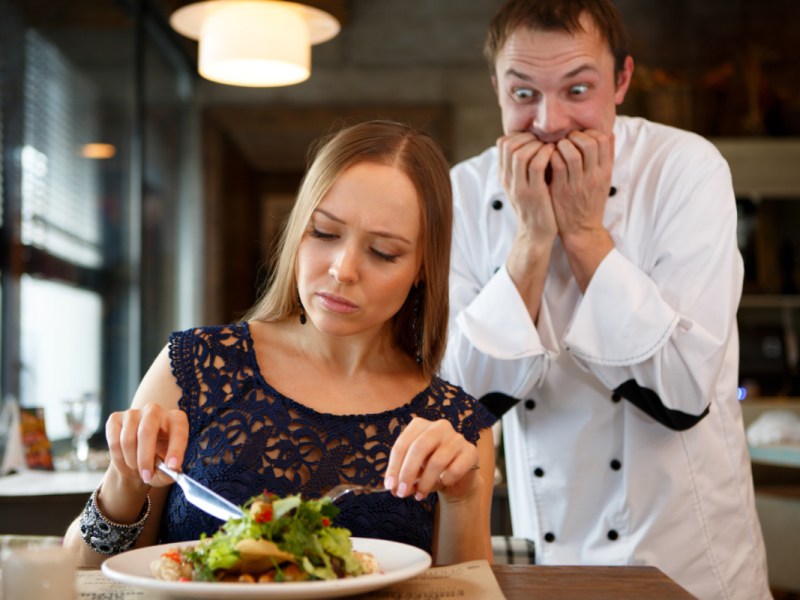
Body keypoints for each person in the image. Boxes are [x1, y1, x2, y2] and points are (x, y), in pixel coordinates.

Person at [440, 1, 771, 598]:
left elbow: (683, 390)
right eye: (523, 95)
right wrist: (533, 239)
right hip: (553, 555)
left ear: (621, 81)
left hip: (690, 562)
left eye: (578, 88)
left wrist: (586, 233)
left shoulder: (685, 170)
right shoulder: (463, 193)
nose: (549, 121)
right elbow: (459, 401)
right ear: (495, 88)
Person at [64, 120, 497, 568]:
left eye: (383, 252)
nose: (343, 270)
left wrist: (464, 499)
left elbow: (468, 593)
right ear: (297, 231)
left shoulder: (457, 424)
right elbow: (81, 578)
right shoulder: (196, 367)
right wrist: (123, 482)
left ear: (424, 268)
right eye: (324, 233)